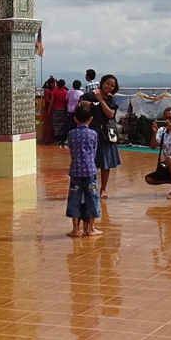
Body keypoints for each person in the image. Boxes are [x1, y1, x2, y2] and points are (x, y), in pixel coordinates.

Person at [65, 102, 103, 236]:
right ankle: (91, 228)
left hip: (75, 170)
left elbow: (72, 149)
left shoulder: (71, 134)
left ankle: (76, 229)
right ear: (90, 119)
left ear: (75, 119)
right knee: (92, 198)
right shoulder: (93, 134)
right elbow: (93, 151)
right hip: (90, 171)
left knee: (74, 198)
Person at [85, 74, 122, 197]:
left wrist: (101, 100)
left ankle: (103, 189)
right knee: (90, 162)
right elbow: (77, 110)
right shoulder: (89, 95)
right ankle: (91, 187)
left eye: (112, 85)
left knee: (105, 164)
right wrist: (82, 105)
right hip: (91, 132)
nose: (109, 87)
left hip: (106, 134)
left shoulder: (111, 100)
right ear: (102, 83)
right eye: (107, 83)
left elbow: (110, 115)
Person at [47, 77, 71, 145]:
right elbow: (66, 101)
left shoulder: (54, 91)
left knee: (55, 124)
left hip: (55, 110)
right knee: (62, 124)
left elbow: (52, 101)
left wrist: (49, 109)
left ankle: (56, 139)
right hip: (63, 110)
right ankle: (62, 139)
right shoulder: (65, 92)